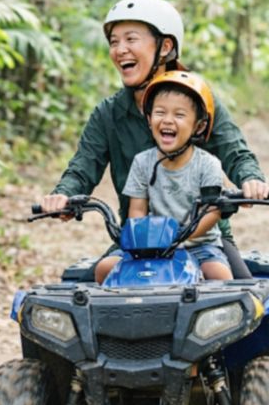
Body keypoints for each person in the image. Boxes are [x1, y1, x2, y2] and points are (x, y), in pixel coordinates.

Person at [38, 0, 269, 277]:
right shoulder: (108, 114)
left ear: (165, 46)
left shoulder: (198, 101)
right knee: (83, 300)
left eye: (131, 39)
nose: (120, 49)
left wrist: (251, 179)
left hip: (203, 242)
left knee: (243, 302)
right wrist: (63, 196)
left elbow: (234, 150)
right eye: (114, 42)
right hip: (139, 244)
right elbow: (83, 168)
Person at [95, 71, 231, 283]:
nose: (168, 120)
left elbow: (212, 212)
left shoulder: (208, 164)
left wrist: (181, 237)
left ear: (199, 125)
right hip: (152, 246)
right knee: (105, 269)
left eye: (179, 115)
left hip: (199, 245)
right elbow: (138, 209)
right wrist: (145, 240)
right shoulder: (142, 162)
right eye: (160, 112)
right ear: (149, 119)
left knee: (220, 276)